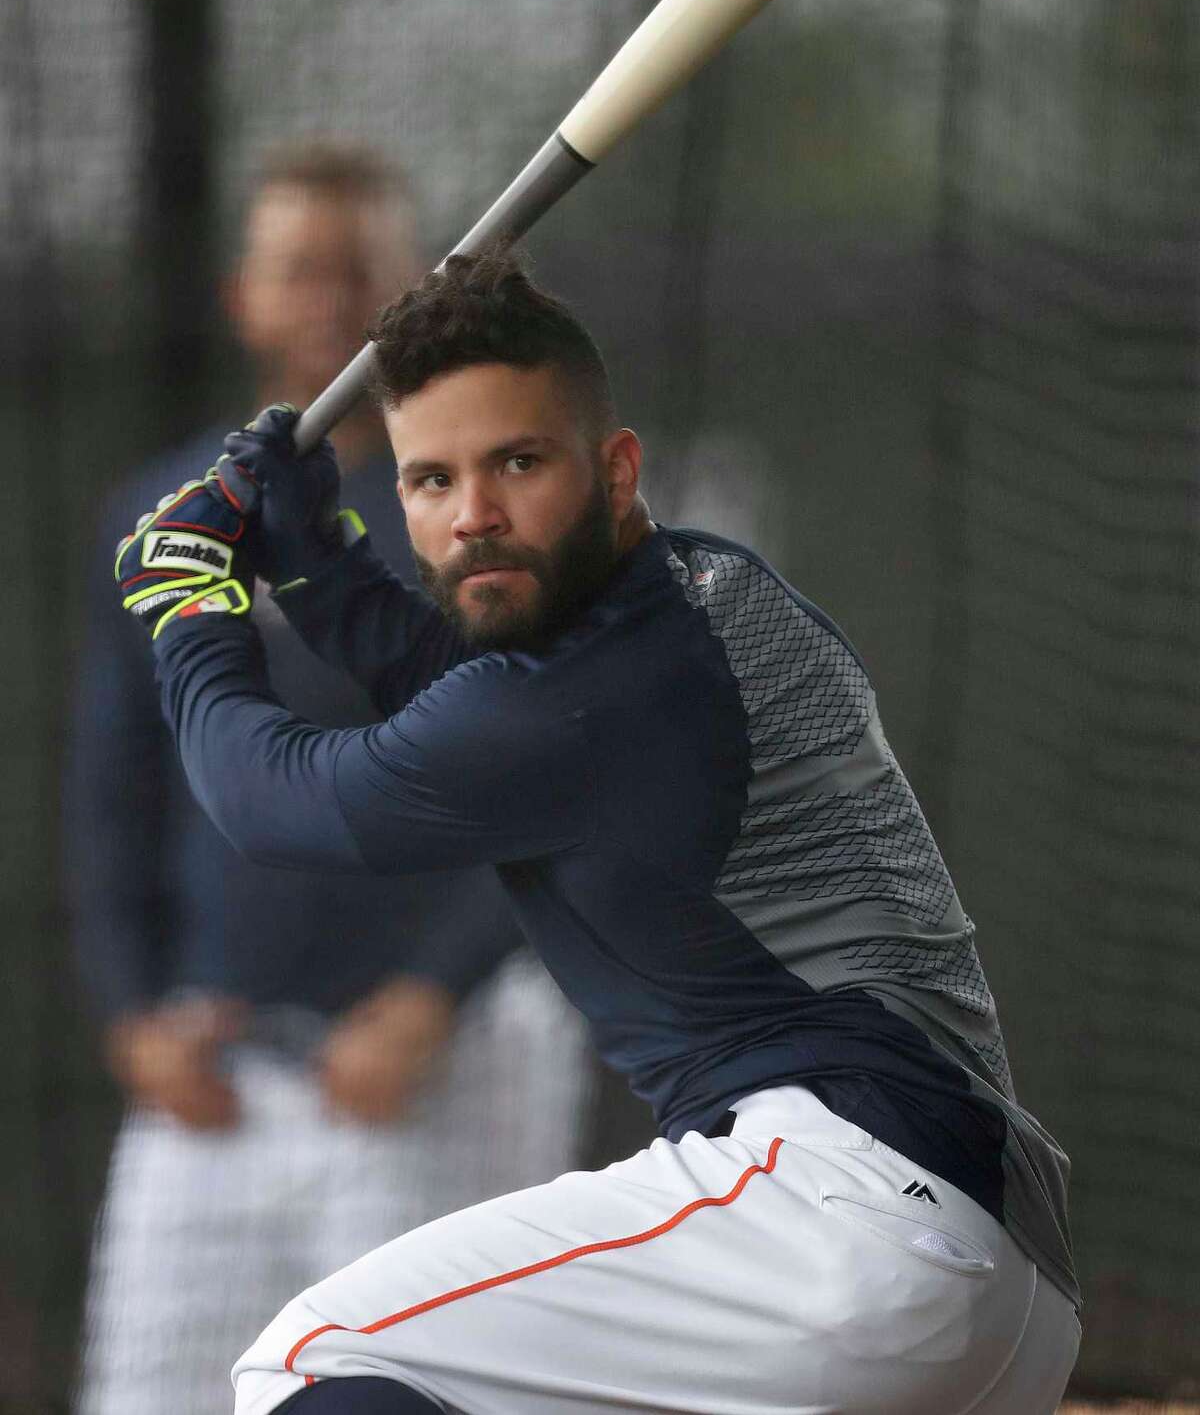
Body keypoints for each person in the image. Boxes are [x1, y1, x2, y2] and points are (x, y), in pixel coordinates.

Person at [113, 245, 1081, 1415]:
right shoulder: (694, 595)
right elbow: (458, 682)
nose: (474, 516)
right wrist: (309, 552)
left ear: (617, 469)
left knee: (314, 1360)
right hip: (991, 1277)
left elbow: (276, 801)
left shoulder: (583, 694)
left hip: (842, 1209)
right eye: (431, 479)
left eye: (517, 462)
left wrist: (186, 606)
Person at [71, 156, 589, 1415]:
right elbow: (112, 793)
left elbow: (554, 781)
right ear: (243, 295)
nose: (326, 302)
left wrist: (428, 999)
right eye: (297, 272)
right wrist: (133, 1014)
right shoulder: (165, 515)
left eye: (357, 273)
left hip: (435, 1066)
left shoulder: (479, 508)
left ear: (411, 290)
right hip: (218, 1073)